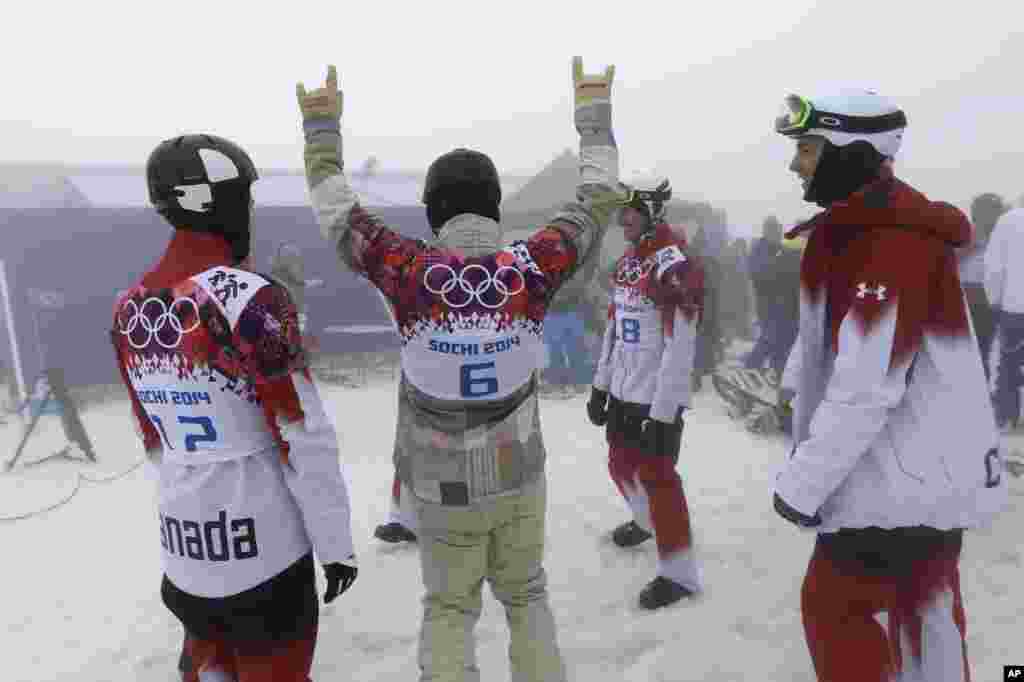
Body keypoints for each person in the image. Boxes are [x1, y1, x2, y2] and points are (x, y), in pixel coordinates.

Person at [296, 58, 628, 682]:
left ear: (433, 210)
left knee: (449, 608)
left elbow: (338, 213)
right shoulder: (531, 267)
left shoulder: (408, 272)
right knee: (527, 596)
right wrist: (593, 119)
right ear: (495, 206)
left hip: (440, 486)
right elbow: (598, 200)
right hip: (519, 475)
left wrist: (321, 134)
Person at [772, 90, 1007, 681]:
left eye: (807, 149)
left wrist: (803, 482)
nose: (795, 164)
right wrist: (795, 381)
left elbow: (868, 383)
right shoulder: (858, 231)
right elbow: (830, 333)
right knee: (926, 614)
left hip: (901, 480)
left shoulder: (889, 241)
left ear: (850, 153)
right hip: (915, 474)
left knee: (836, 610)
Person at [111, 134, 357, 682]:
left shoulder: (127, 307)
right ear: (215, 203)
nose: (250, 211)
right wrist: (335, 544)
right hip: (264, 557)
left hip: (184, 554)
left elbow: (150, 436)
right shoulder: (251, 295)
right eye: (244, 197)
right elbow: (302, 433)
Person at [586, 178, 705, 609]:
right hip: (623, 388)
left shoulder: (675, 265)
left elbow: (681, 344)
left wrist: (664, 411)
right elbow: (614, 328)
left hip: (656, 395)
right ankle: (645, 521)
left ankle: (679, 573)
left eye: (630, 211)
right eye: (620, 211)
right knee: (619, 463)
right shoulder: (627, 262)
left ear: (652, 211)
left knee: (659, 478)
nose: (622, 219)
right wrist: (600, 386)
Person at [985, 202, 1024, 431]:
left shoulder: (1008, 220)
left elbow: (994, 268)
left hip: (1015, 306)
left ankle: (1007, 417)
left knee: (1009, 363)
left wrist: (994, 301)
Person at [960, 193, 1006, 379]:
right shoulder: (965, 234)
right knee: (973, 350)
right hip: (968, 294)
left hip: (990, 297)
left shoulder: (1002, 237)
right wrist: (972, 245)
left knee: (983, 348)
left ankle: (980, 386)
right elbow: (947, 261)